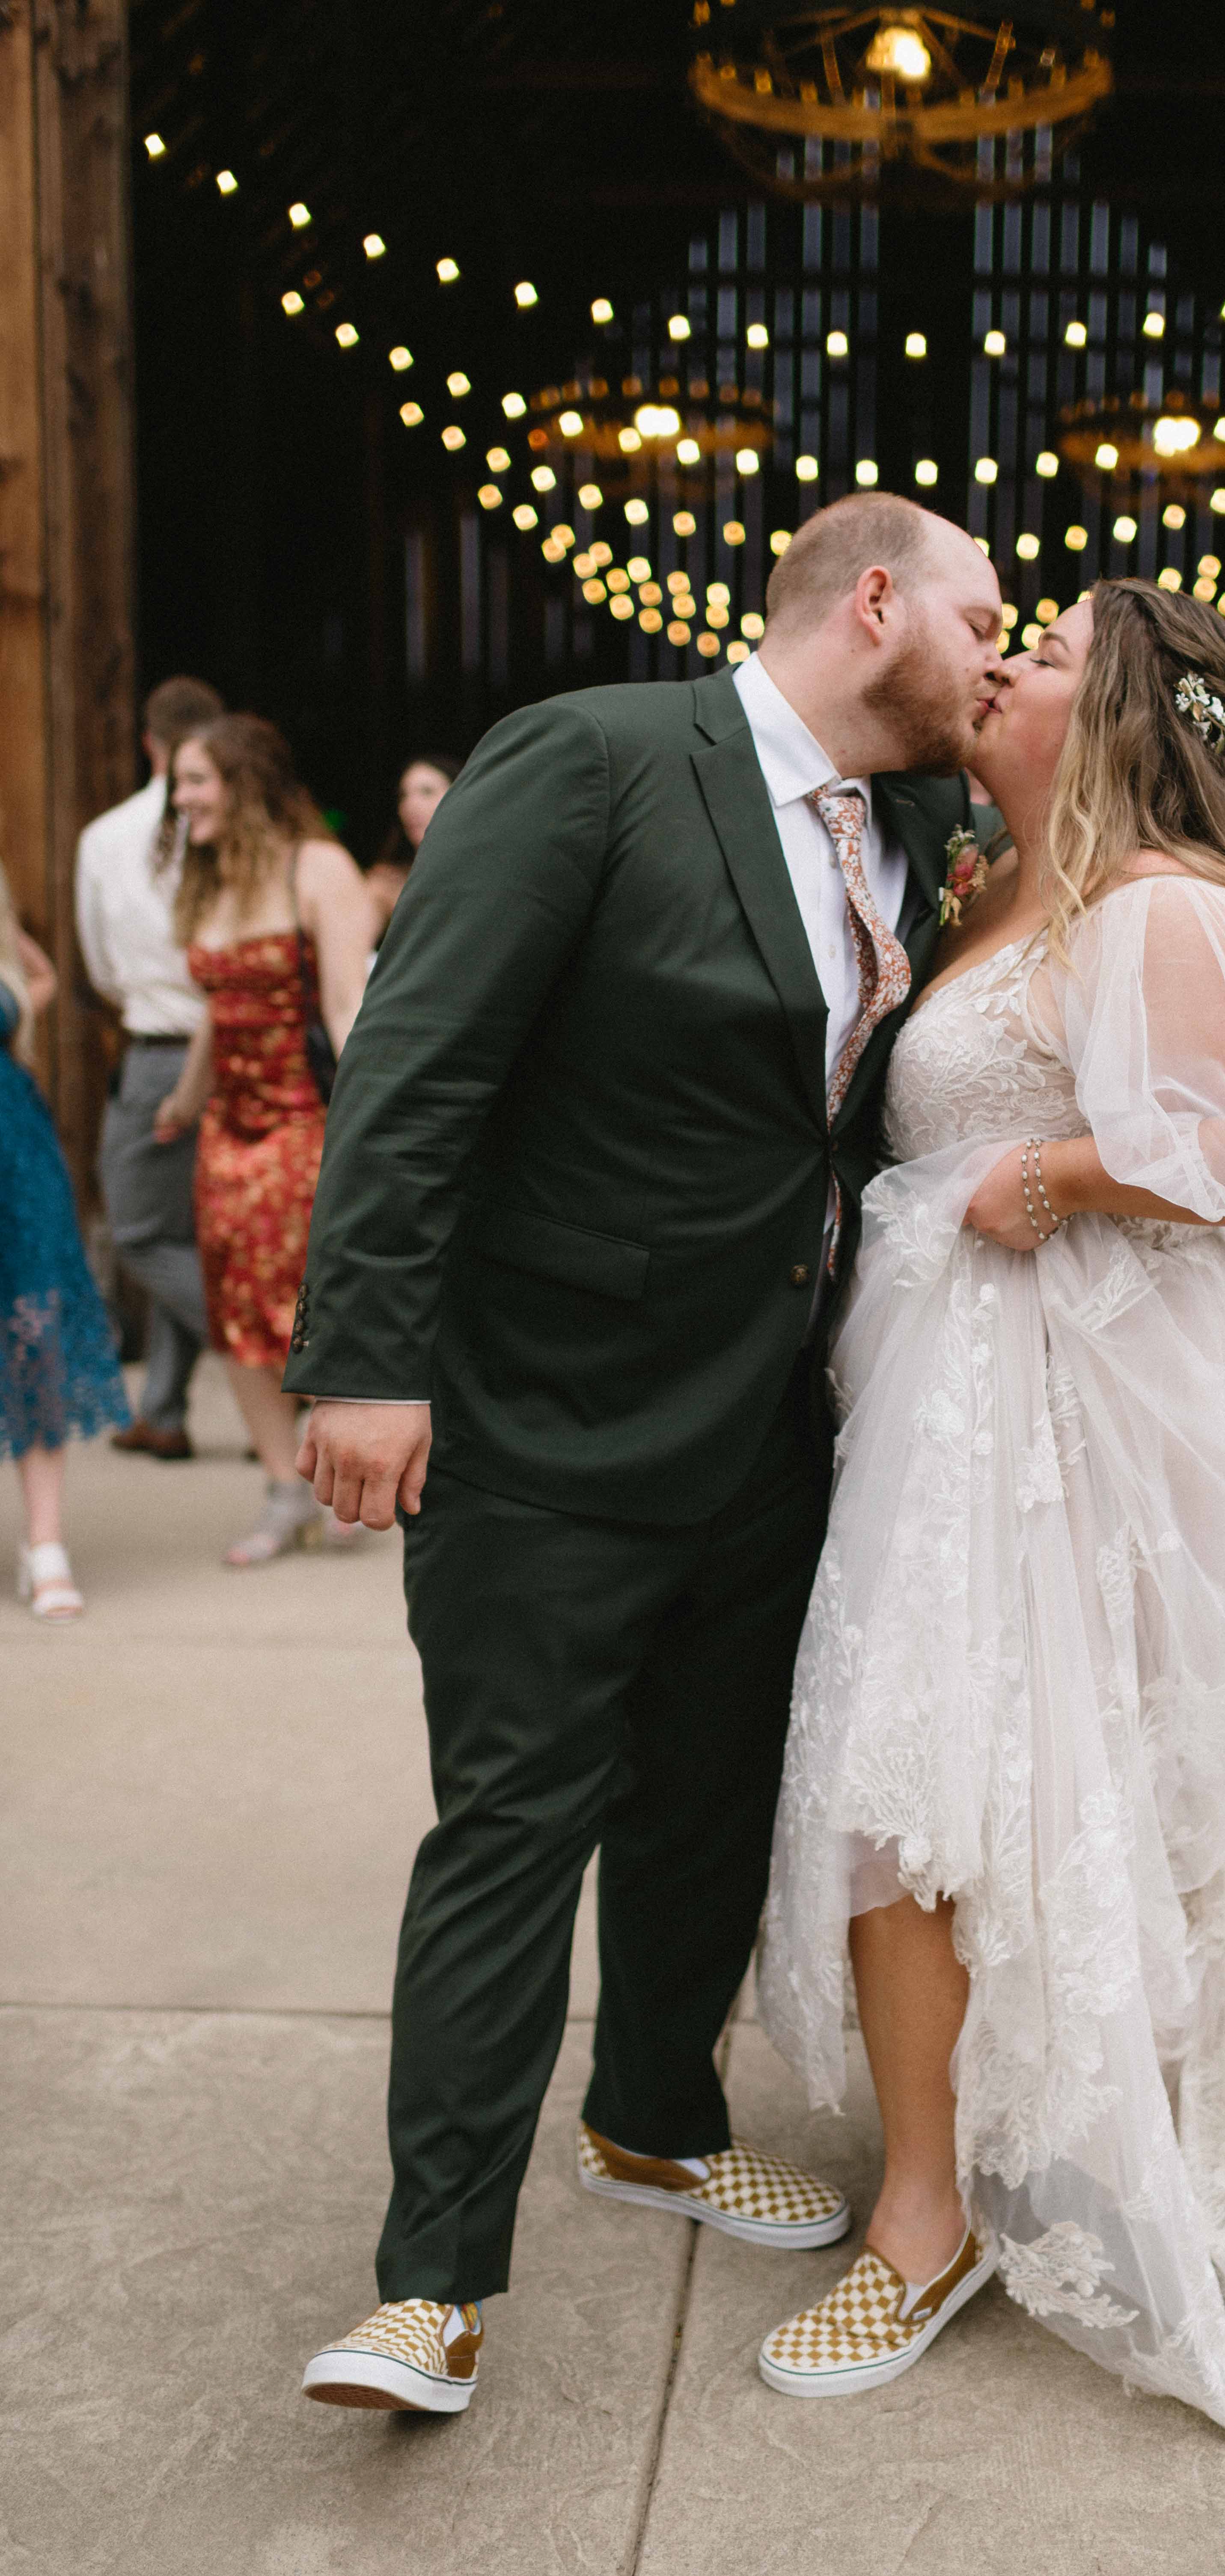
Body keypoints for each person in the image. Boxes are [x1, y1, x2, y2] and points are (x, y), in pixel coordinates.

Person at [282, 493, 1009, 2415]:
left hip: (783, 1413)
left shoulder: (933, 825)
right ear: (876, 603)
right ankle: (426, 2284)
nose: (998, 653)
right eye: (981, 612)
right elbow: (421, 1064)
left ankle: (655, 2111)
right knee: (517, 1820)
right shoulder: (596, 758)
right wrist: (363, 1359)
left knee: (705, 1796)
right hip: (543, 1415)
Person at [758, 583, 1225, 2439]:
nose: (1009, 662)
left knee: (945, 1777)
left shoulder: (1162, 901)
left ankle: (930, 2213)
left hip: (1084, 1415)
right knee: (942, 1778)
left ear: (1126, 720)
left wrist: (1065, 1168)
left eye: (1055, 651)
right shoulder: (997, 882)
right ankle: (966, 2158)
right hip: (958, 1401)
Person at [151, 716, 374, 1566]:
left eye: (195, 781)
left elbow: (346, 1006)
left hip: (301, 1121)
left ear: (243, 783)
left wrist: (371, 1126)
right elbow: (219, 1013)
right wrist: (183, 1098)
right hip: (225, 1129)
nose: (182, 801)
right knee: (233, 1312)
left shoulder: (315, 868)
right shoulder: (206, 876)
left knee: (301, 1306)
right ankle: (284, 1488)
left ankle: (335, 1476)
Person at [76, 673, 225, 1459]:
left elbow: (101, 968)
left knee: (136, 1232)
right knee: (182, 1232)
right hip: (235, 1048)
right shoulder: (229, 827)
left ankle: (275, 1356)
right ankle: (164, 1410)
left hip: (161, 1052)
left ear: (148, 743)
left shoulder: (105, 837)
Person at [0, 864, 130, 1617]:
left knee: (33, 1329)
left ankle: (45, 1542)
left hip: (13, 1147)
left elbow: (39, 975)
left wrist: (20, 1001)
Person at [365, 755, 462, 942]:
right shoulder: (386, 882)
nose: (410, 805)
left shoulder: (486, 870)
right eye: (404, 795)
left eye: (427, 792)